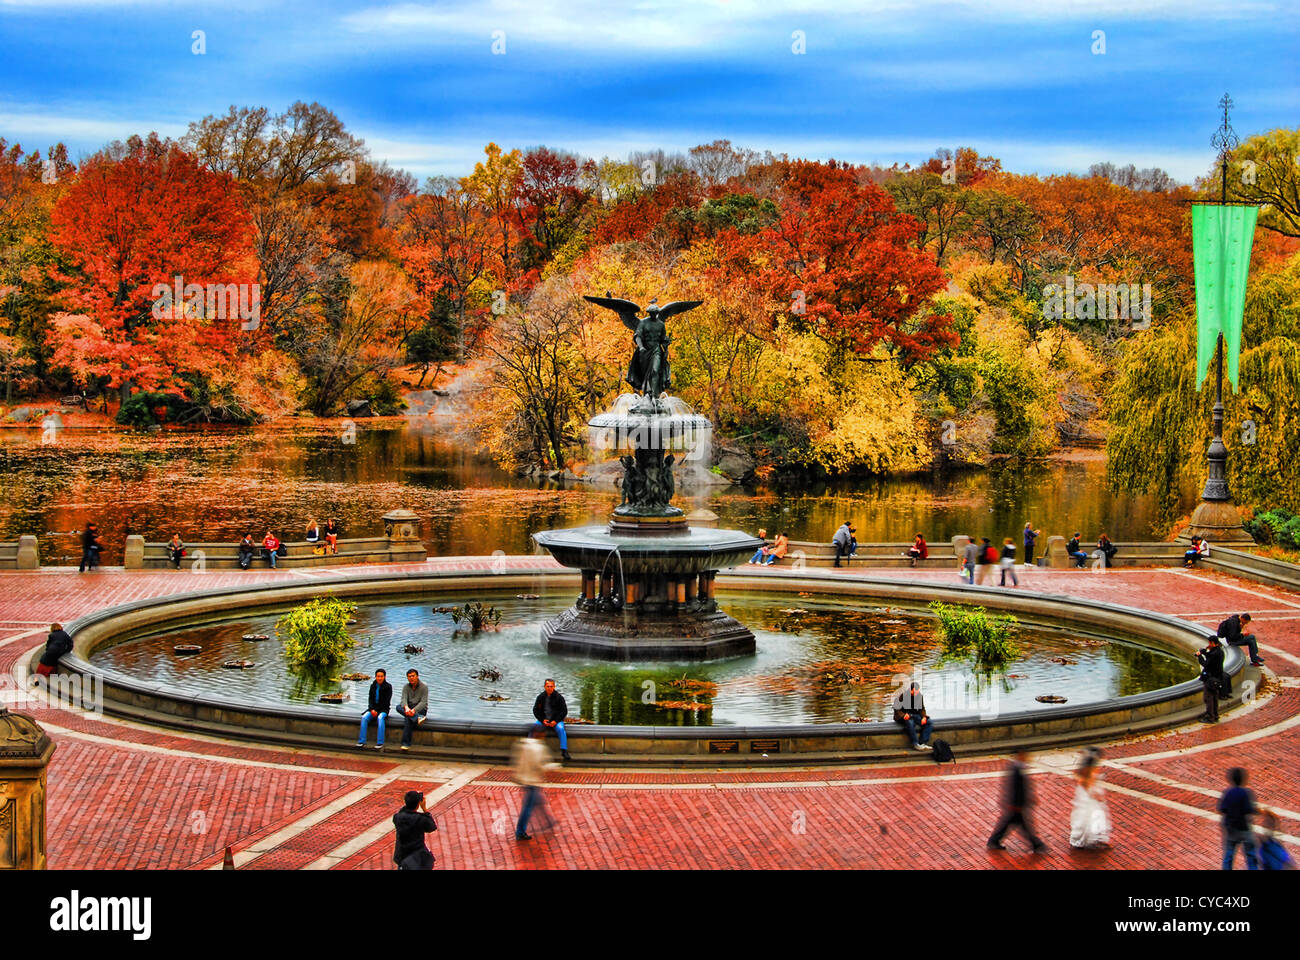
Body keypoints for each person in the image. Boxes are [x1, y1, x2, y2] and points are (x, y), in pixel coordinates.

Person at [988, 749, 1046, 853]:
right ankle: (1037, 844)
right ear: (1020, 756)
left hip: (1015, 805)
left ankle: (994, 841)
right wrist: (1018, 803)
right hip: (1016, 805)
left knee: (1009, 824)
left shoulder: (1016, 768)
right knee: (1023, 826)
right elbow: (1017, 789)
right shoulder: (1017, 770)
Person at [512, 726, 558, 841]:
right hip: (532, 780)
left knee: (537, 801)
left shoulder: (523, 744)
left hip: (525, 779)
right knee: (528, 807)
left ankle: (548, 822)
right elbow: (539, 765)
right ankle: (520, 831)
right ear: (540, 734)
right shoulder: (538, 748)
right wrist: (553, 766)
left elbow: (518, 762)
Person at [1069, 747, 1111, 848]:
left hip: (1087, 792)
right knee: (1090, 815)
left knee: (1094, 814)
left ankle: (1095, 837)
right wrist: (1093, 793)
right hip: (1087, 794)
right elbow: (1085, 782)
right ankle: (1090, 838)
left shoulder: (1090, 766)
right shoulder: (1089, 768)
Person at [1218, 767, 1258, 870]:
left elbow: (1222, 808)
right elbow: (1248, 809)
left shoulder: (1227, 793)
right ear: (1243, 779)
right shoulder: (1246, 793)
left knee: (1229, 855)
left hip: (1231, 828)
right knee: (1250, 854)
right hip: (1244, 828)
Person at [392, 790, 437, 870]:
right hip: (416, 857)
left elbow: (402, 812)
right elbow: (432, 826)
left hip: (402, 856)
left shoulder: (397, 817)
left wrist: (409, 805)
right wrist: (424, 809)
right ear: (417, 805)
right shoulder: (420, 819)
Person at [532, 678, 571, 761]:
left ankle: (564, 751)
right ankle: (531, 750)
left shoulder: (559, 697)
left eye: (551, 686)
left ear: (554, 687)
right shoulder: (540, 697)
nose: (549, 688)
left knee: (561, 729)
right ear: (544, 687)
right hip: (543, 720)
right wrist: (542, 720)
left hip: (556, 721)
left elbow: (564, 711)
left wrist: (555, 721)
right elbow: (535, 710)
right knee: (534, 728)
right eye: (548, 686)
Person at [357, 668, 392, 749]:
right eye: (378, 676)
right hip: (372, 709)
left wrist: (377, 711)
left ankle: (380, 743)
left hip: (383, 709)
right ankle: (361, 741)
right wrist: (372, 709)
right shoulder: (373, 686)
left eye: (381, 676)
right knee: (364, 718)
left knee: (380, 718)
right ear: (375, 677)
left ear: (384, 677)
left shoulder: (388, 687)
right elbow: (370, 699)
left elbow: (386, 702)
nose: (379, 678)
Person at [892, 680, 933, 750]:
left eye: (917, 691)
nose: (916, 693)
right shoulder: (903, 695)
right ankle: (915, 743)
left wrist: (923, 717)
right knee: (910, 722)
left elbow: (922, 708)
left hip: (914, 715)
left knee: (929, 722)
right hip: (904, 716)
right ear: (911, 690)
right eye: (915, 691)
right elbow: (896, 707)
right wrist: (903, 715)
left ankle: (922, 743)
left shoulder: (919, 696)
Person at [397, 668, 429, 750]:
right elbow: (403, 699)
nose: (411, 678)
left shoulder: (424, 687)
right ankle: (417, 717)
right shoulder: (406, 687)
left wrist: (413, 711)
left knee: (408, 719)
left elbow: (423, 702)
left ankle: (406, 743)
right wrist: (407, 709)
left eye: (413, 676)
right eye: (409, 676)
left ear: (417, 676)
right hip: (409, 708)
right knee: (398, 707)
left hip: (420, 709)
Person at [1197, 635, 1225, 723]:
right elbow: (1211, 656)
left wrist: (1199, 656)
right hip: (1217, 678)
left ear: (1212, 643)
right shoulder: (1220, 652)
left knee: (1208, 697)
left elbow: (1205, 664)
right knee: (1215, 697)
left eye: (1209, 643)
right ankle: (1215, 715)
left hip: (1210, 679)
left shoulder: (1214, 654)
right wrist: (1205, 652)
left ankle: (1210, 717)